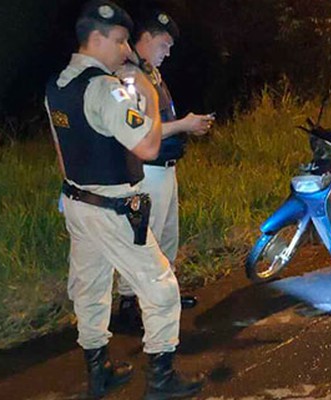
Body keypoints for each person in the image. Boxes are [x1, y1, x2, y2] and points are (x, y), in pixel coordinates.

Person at [44, 1, 202, 398]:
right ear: (97, 38)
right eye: (119, 41)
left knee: (90, 287)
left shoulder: (58, 85)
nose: (125, 49)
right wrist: (144, 89)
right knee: (161, 288)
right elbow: (148, 146)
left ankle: (99, 374)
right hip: (112, 207)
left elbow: (61, 152)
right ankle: (161, 379)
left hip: (78, 202)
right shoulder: (105, 88)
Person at [115, 8, 214, 330]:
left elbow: (162, 122)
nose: (168, 52)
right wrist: (184, 124)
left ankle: (163, 295)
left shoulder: (150, 73)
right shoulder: (128, 77)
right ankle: (129, 306)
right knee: (144, 238)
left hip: (166, 168)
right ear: (144, 38)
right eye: (164, 45)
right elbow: (140, 129)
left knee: (167, 236)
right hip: (147, 171)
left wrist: (186, 127)